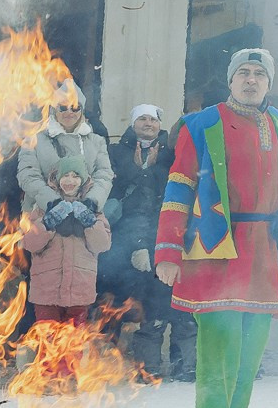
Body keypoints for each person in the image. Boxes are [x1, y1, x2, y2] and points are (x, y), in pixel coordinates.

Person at [155, 47, 278, 408]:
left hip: (266, 250)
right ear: (231, 79)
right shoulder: (200, 124)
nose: (252, 80)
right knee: (220, 349)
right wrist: (168, 251)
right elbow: (179, 186)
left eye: (260, 73)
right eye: (244, 72)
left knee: (249, 351)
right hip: (216, 249)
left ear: (269, 82)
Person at [110, 104, 192, 379]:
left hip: (168, 236)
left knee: (179, 304)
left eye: (153, 119)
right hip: (131, 240)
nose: (148, 124)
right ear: (133, 124)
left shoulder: (170, 155)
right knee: (147, 306)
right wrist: (138, 244)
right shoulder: (118, 153)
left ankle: (185, 364)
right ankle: (149, 367)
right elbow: (122, 197)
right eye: (142, 119)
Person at [22, 153, 112, 324]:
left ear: (84, 181)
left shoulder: (94, 210)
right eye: (65, 175)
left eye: (75, 176)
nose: (70, 180)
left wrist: (89, 221)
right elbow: (30, 243)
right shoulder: (42, 209)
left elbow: (102, 245)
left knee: (73, 345)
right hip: (46, 293)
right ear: (57, 179)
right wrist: (48, 223)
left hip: (79, 293)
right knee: (47, 344)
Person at [17, 80, 115, 214]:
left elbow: (104, 175)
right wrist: (54, 203)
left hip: (86, 216)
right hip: (42, 214)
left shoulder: (96, 142)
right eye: (63, 107)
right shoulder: (33, 141)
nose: (69, 112)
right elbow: (28, 176)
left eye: (75, 107)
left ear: (82, 111)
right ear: (53, 110)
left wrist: (91, 202)